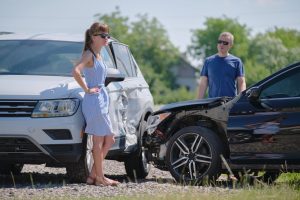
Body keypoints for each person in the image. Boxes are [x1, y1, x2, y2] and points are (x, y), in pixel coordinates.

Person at [72, 22, 119, 186]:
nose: (107, 39)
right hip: (94, 101)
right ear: (93, 37)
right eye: (103, 36)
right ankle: (100, 178)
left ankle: (93, 175)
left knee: (111, 139)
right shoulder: (89, 54)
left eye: (108, 35)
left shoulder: (99, 55)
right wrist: (86, 89)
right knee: (98, 142)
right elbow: (76, 71)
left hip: (102, 99)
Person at [197, 32, 246, 99]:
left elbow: (241, 82)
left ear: (230, 45)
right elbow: (203, 84)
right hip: (212, 103)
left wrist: (241, 100)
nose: (221, 44)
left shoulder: (237, 61)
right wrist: (198, 102)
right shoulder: (208, 61)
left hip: (230, 103)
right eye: (220, 42)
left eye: (225, 43)